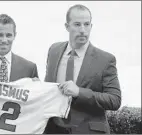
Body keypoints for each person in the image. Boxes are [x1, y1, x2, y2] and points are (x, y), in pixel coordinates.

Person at [44, 4, 121, 134]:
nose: (83, 30)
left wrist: (79, 92)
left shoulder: (106, 60)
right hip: (53, 129)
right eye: (77, 24)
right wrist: (37, 86)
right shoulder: (54, 51)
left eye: (86, 24)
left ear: (91, 26)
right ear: (67, 27)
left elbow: (114, 100)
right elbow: (49, 87)